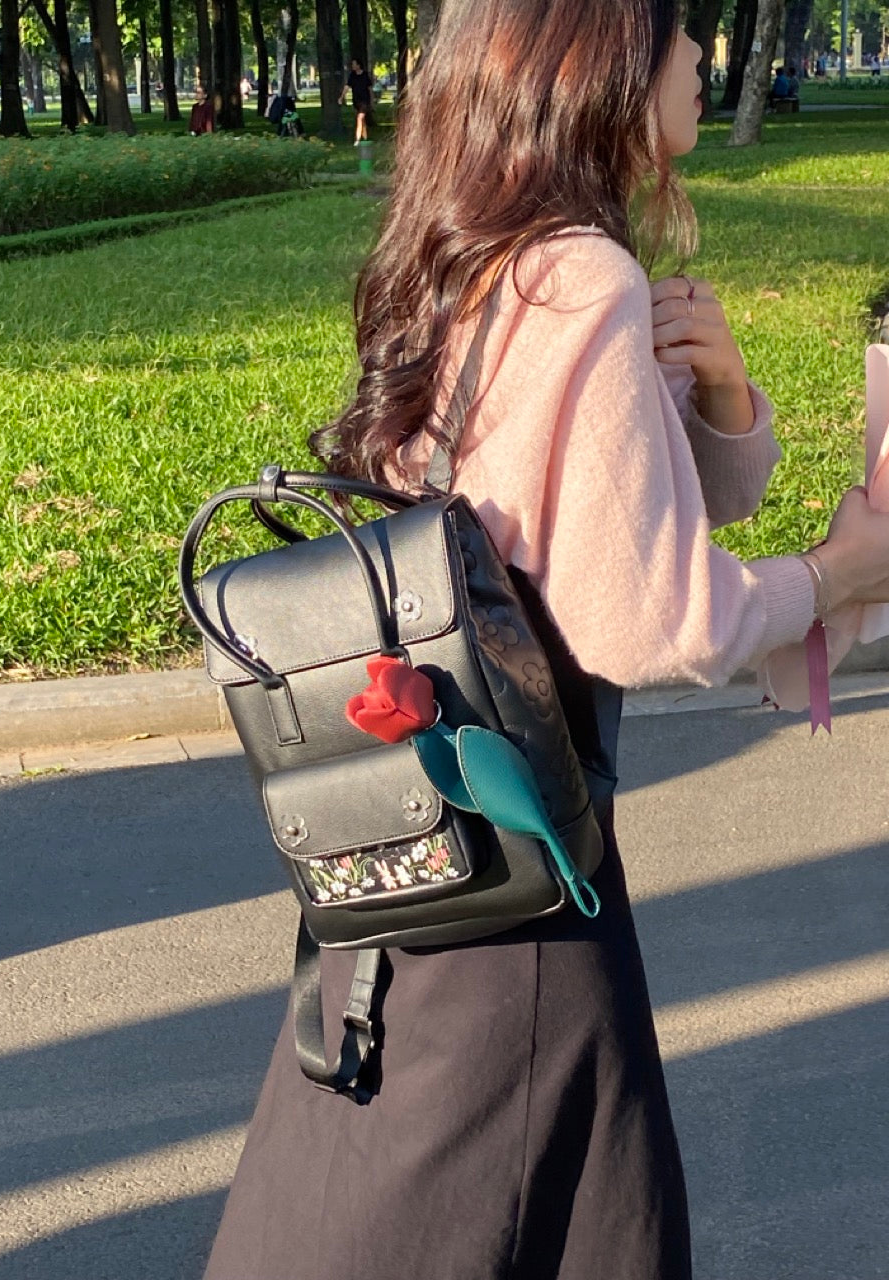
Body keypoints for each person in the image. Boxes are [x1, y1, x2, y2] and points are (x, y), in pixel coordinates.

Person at [201, 4, 889, 1278]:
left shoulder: (470, 256)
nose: (699, 61)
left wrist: (726, 403)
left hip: (422, 813)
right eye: (683, 36)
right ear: (612, 65)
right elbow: (652, 617)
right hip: (531, 858)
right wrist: (841, 570)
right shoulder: (583, 279)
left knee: (377, 1179)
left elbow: (608, 526)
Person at [339, 57, 372, 144]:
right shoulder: (352, 75)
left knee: (359, 118)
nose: (352, 66)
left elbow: (369, 88)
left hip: (365, 100)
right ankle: (365, 137)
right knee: (362, 120)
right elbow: (347, 87)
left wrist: (372, 99)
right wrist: (342, 97)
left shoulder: (365, 75)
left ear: (358, 65)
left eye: (354, 64)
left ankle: (357, 139)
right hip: (356, 100)